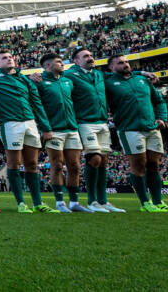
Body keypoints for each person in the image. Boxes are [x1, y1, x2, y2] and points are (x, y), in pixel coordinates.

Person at [0, 51, 57, 213]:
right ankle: (21, 203)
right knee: (14, 163)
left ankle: (38, 203)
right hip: (9, 124)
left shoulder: (25, 79)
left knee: (32, 164)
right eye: (4, 58)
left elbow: (36, 103)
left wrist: (46, 127)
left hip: (30, 123)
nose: (9, 59)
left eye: (11, 57)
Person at [104, 54, 168, 212]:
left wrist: (161, 118)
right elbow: (98, 76)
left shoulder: (143, 80)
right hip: (129, 129)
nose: (125, 65)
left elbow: (158, 101)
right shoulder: (108, 82)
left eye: (126, 62)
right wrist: (141, 72)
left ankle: (158, 202)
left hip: (152, 128)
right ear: (111, 67)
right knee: (138, 165)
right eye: (120, 63)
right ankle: (145, 202)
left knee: (154, 165)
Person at [65, 47, 121, 212]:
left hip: (103, 121)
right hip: (84, 122)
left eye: (91, 55)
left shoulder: (98, 74)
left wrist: (142, 74)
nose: (90, 58)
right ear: (76, 61)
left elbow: (121, 74)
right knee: (94, 159)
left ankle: (102, 200)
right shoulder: (70, 75)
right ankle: (92, 201)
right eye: (85, 56)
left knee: (103, 161)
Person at [36, 52, 89, 213]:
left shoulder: (68, 81)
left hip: (72, 129)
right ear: (48, 66)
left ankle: (74, 202)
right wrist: (45, 128)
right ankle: (60, 202)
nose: (62, 64)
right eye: (59, 62)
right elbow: (37, 107)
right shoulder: (39, 82)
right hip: (53, 130)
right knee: (57, 165)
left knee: (75, 166)